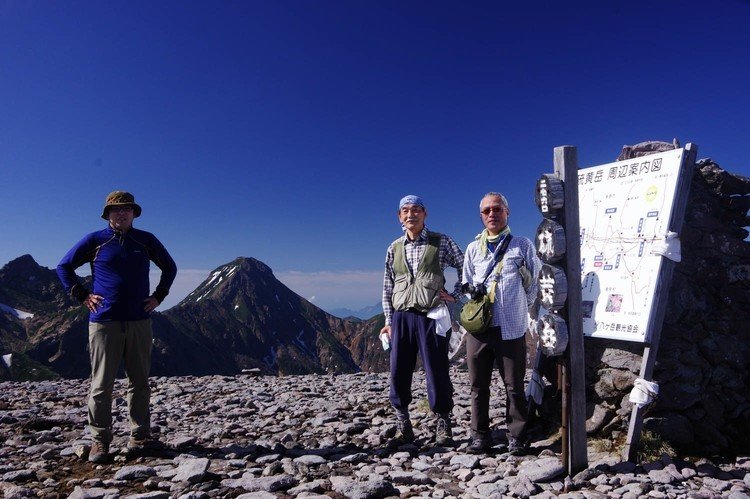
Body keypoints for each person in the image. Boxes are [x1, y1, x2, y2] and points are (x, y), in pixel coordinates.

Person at [57, 191, 177, 463]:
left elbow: (170, 267)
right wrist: (81, 294)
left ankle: (140, 436)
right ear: (107, 214)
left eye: (126, 209)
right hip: (104, 321)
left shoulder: (145, 240)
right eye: (115, 210)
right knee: (102, 384)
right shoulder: (95, 240)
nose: (121, 213)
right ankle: (100, 441)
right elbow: (64, 266)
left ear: (134, 213)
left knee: (140, 381)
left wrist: (159, 296)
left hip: (139, 320)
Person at [381, 194, 464, 446]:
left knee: (437, 369)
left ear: (425, 214)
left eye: (416, 210)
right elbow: (387, 286)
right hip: (402, 316)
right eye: (405, 210)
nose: (410, 214)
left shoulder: (441, 241)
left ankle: (443, 424)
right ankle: (403, 424)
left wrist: (455, 295)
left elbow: (465, 266)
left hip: (432, 315)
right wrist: (388, 319)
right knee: (398, 371)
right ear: (399, 217)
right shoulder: (394, 248)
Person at [461, 192, 541, 454]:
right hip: (480, 328)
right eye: (486, 211)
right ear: (481, 216)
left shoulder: (522, 245)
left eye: (497, 209)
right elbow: (467, 282)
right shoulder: (474, 249)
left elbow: (534, 284)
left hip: (512, 326)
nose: (492, 214)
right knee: (477, 385)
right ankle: (479, 435)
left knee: (514, 385)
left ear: (507, 212)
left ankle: (516, 436)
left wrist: (517, 306)